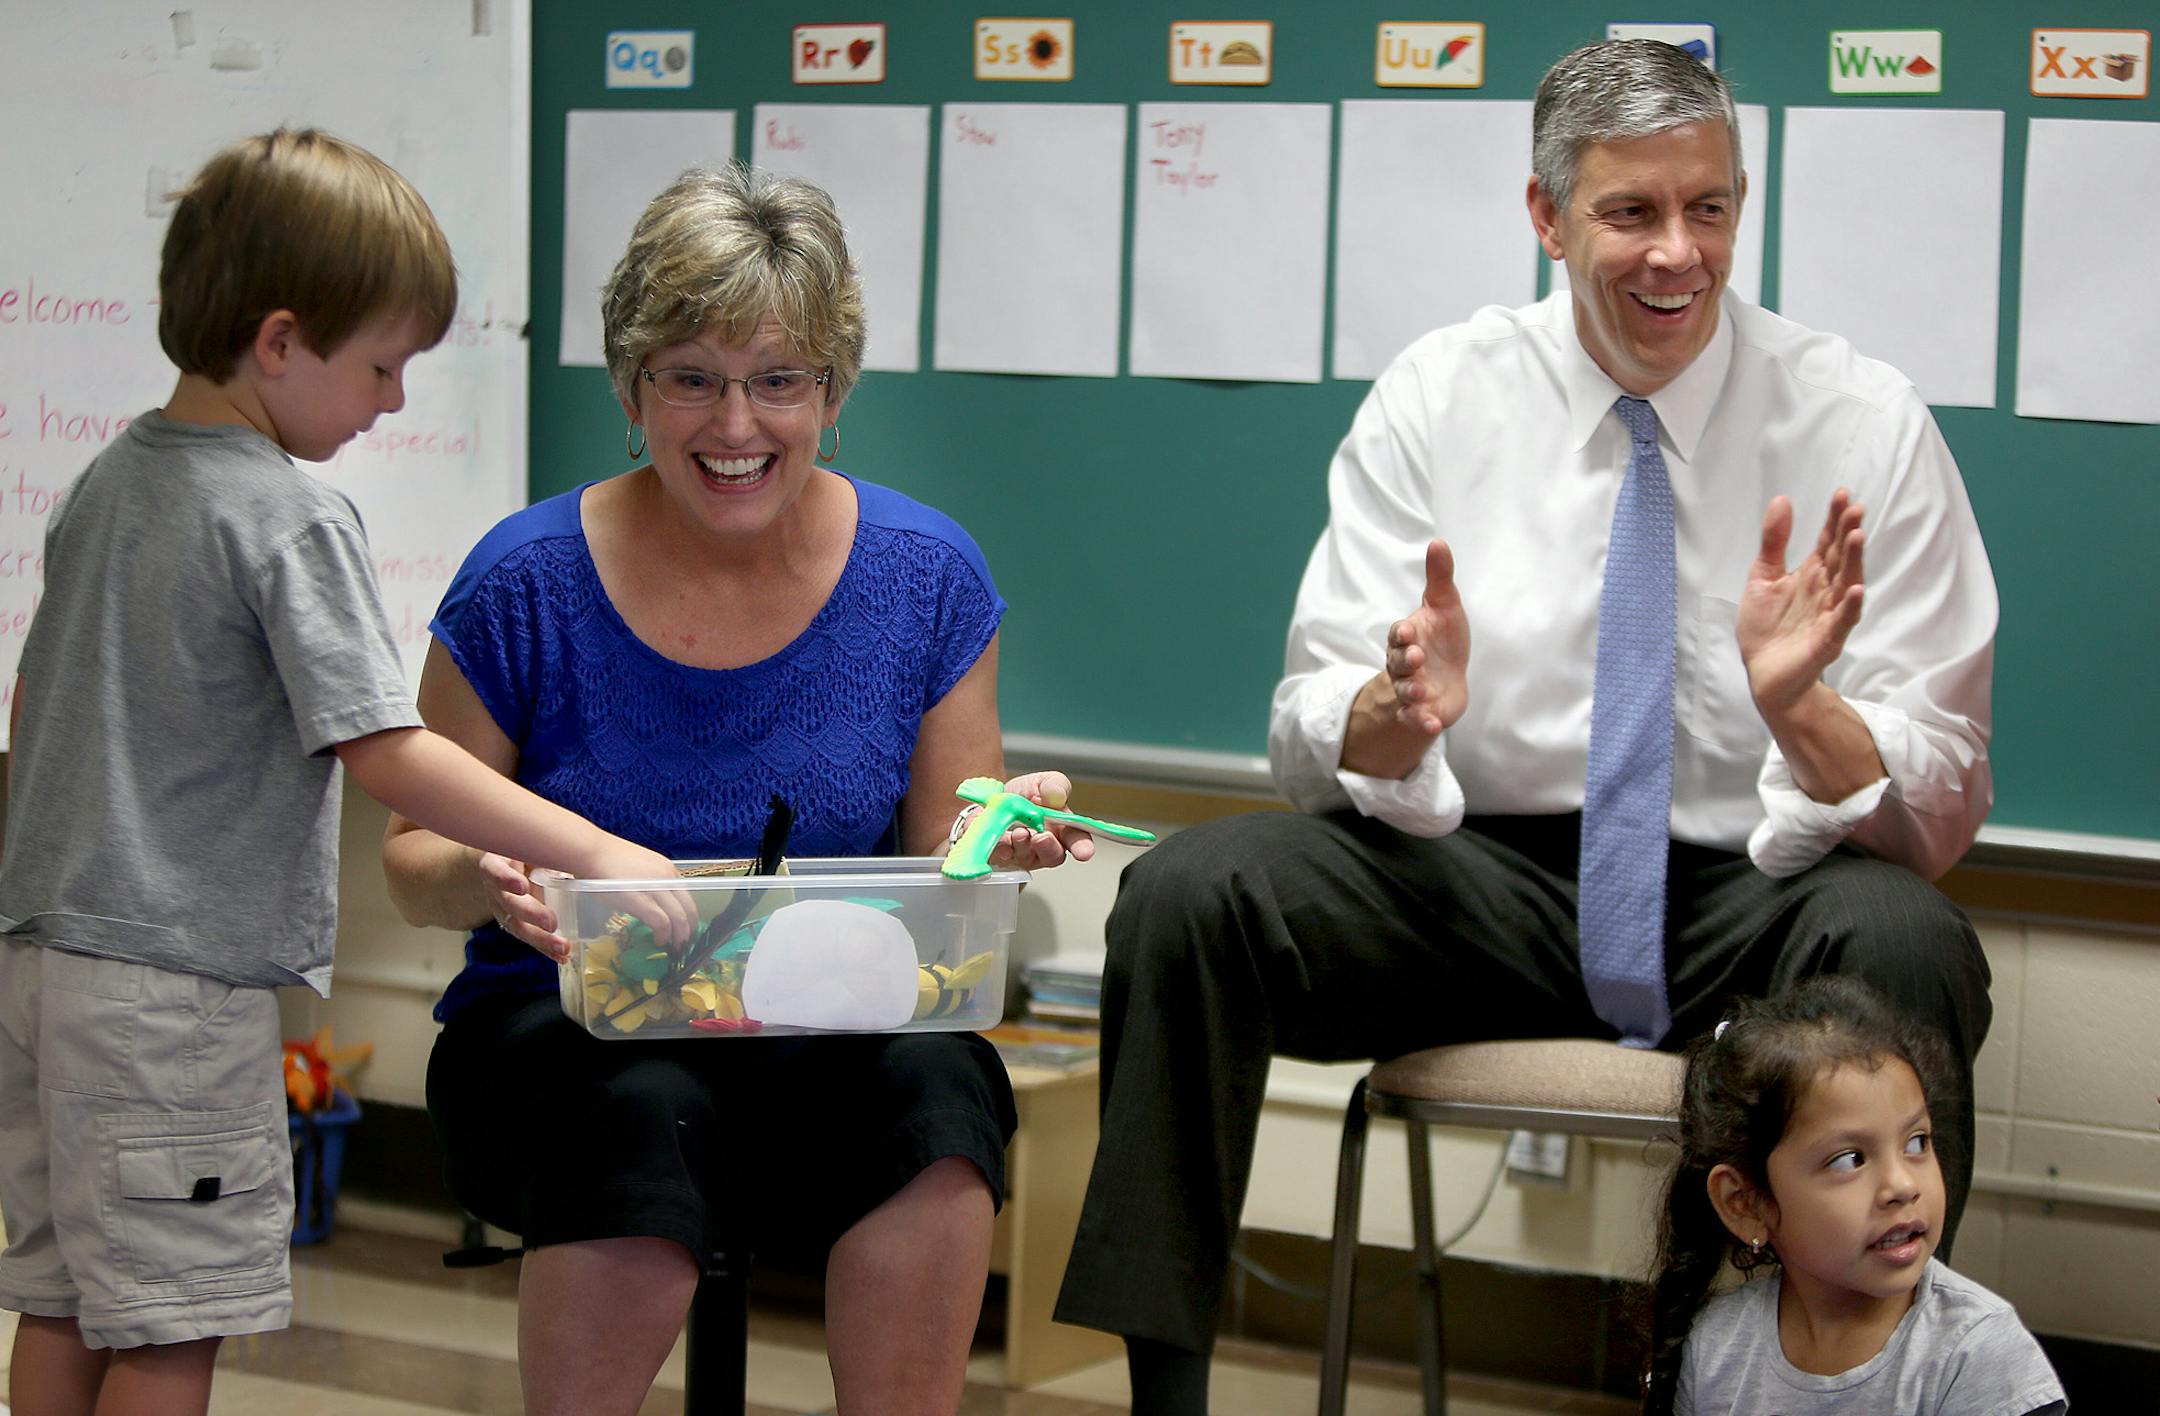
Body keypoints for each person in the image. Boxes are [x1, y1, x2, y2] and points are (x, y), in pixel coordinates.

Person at [1055, 39, 1999, 1413]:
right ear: (1547, 217)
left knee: (1906, 941)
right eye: (1632, 212)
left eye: (1711, 208)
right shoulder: (1441, 397)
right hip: (1475, 887)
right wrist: (1390, 713)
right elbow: (1307, 726)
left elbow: (1946, 802)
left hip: (1752, 900)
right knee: (1188, 896)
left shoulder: (1864, 420)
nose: (1679, 254)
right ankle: (1165, 1395)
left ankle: (1869, 1394)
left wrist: (1808, 715)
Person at [380, 162, 1087, 1416]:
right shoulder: (522, 582)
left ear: (833, 389)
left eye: (780, 381)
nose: (737, 426)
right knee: (641, 1110)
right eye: (692, 379)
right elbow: (409, 862)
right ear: (630, 384)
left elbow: (951, 849)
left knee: (941, 1092)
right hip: (566, 1036)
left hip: (827, 1021)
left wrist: (1005, 833)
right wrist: (493, 877)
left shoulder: (926, 578)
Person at [0, 130, 685, 1416]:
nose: (394, 403)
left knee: (64, 1296)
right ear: (278, 341)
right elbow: (389, 750)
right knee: (171, 1323)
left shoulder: (106, 481)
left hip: (43, 962)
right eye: (381, 365)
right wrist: (596, 849)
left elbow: (35, 702)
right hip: (171, 990)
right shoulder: (284, 513)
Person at [1646, 976, 2063, 1414]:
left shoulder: (1979, 1355)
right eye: (1849, 1160)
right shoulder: (1716, 1346)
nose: (1902, 1185)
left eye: (1917, 1142)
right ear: (1745, 1204)